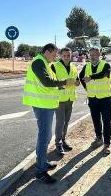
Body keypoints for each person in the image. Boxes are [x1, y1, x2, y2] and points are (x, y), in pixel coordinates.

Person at [23, 43, 76, 184]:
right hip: (42, 105)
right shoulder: (38, 62)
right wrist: (65, 81)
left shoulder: (45, 63)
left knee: (45, 137)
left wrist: (62, 83)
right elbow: (47, 82)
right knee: (44, 136)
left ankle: (42, 162)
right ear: (47, 52)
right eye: (54, 55)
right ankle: (40, 171)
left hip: (46, 105)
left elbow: (51, 83)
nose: (55, 57)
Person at [80, 47, 111, 154]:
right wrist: (86, 88)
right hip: (92, 98)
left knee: (107, 121)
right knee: (96, 120)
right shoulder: (87, 66)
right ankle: (99, 138)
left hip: (105, 99)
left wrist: (91, 77)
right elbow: (81, 77)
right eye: (91, 55)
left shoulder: (105, 65)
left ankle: (107, 144)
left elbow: (103, 74)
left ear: (99, 55)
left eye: (94, 54)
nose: (92, 56)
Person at [51, 47, 79, 155]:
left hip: (70, 99)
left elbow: (77, 81)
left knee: (66, 122)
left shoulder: (73, 67)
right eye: (64, 56)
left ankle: (63, 140)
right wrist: (63, 83)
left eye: (68, 56)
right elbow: (52, 83)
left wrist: (77, 83)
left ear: (71, 56)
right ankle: (58, 144)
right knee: (60, 122)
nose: (67, 57)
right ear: (60, 56)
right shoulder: (54, 66)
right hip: (59, 99)